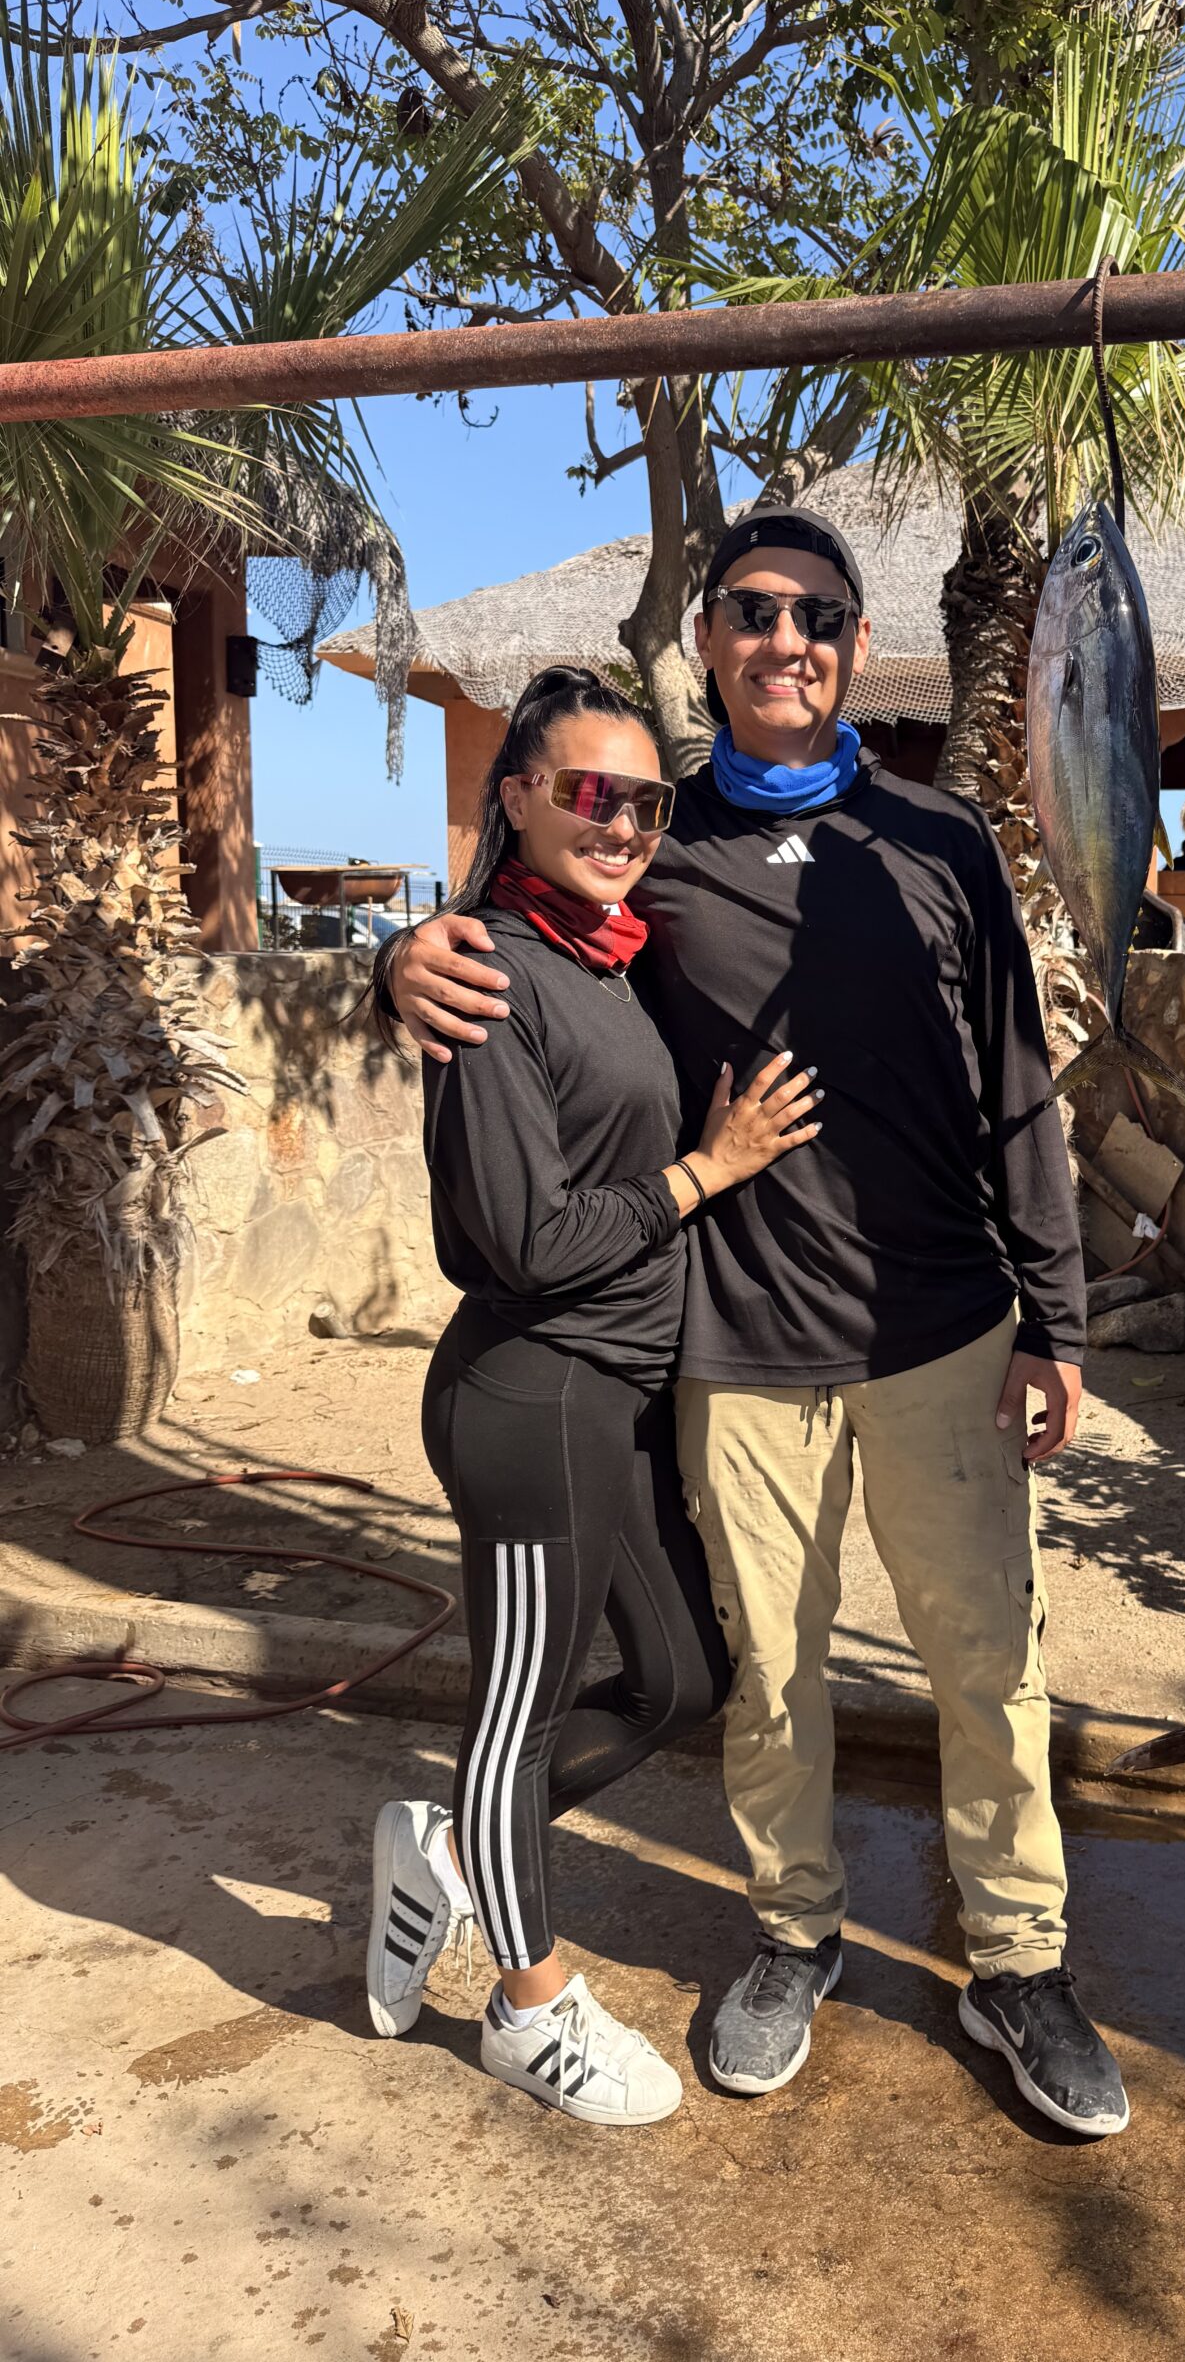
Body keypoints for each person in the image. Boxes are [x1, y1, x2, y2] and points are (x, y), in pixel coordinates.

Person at [380, 507, 1130, 2138]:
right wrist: (398, 955)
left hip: (939, 1330)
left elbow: (1019, 1088)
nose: (784, 639)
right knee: (771, 1683)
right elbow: (524, 937)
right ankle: (792, 1937)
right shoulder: (651, 841)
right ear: (710, 642)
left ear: (858, 649)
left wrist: (1055, 1321)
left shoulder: (937, 844)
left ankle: (1018, 1963)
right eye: (752, 612)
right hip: (742, 1346)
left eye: (817, 615)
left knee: (988, 1669)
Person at [365, 664, 820, 2127]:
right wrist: (708, 1169)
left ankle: (444, 1850)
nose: (620, 821)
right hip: (534, 1395)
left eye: (643, 800)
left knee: (684, 1677)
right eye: (586, 792)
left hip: (618, 1391)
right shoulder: (493, 967)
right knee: (517, 1715)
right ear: (517, 799)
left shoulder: (605, 954)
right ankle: (526, 2000)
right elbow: (522, 1239)